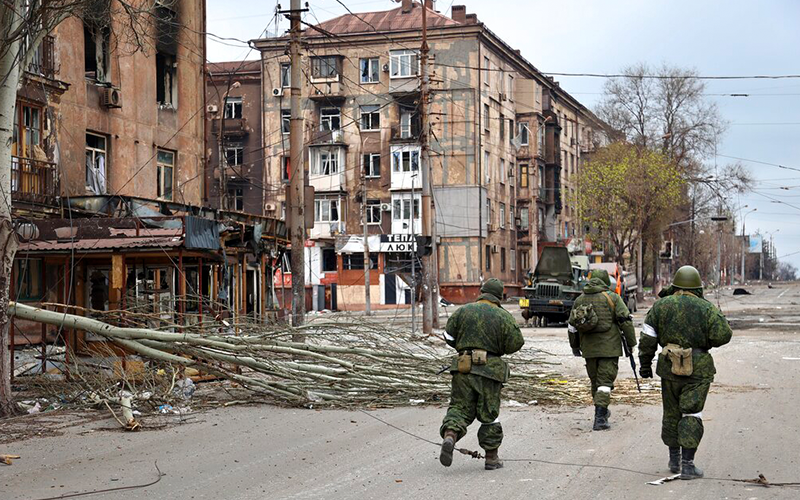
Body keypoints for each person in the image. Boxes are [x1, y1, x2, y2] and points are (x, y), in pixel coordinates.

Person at [638, 265, 732, 480]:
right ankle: (688, 465)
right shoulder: (706, 308)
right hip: (698, 368)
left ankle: (674, 459)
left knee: (671, 412)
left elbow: (647, 339)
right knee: (691, 413)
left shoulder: (660, 306)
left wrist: (645, 365)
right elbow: (723, 335)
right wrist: (703, 341)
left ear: (676, 284)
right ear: (697, 286)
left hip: (669, 368)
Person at [439, 278, 524, 470]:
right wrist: (497, 349)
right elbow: (516, 343)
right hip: (489, 370)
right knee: (489, 413)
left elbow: (448, 337)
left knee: (460, 407)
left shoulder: (463, 311)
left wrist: (464, 347)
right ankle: (491, 458)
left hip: (463, 367)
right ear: (500, 295)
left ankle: (450, 435)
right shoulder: (504, 316)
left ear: (481, 291)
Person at [567, 269, 636, 430]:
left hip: (588, 349)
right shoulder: (612, 298)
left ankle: (601, 411)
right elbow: (625, 321)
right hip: (609, 348)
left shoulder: (580, 299)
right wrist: (631, 343)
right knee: (605, 383)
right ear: (606, 281)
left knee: (595, 381)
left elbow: (572, 327)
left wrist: (575, 346)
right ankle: (600, 419)